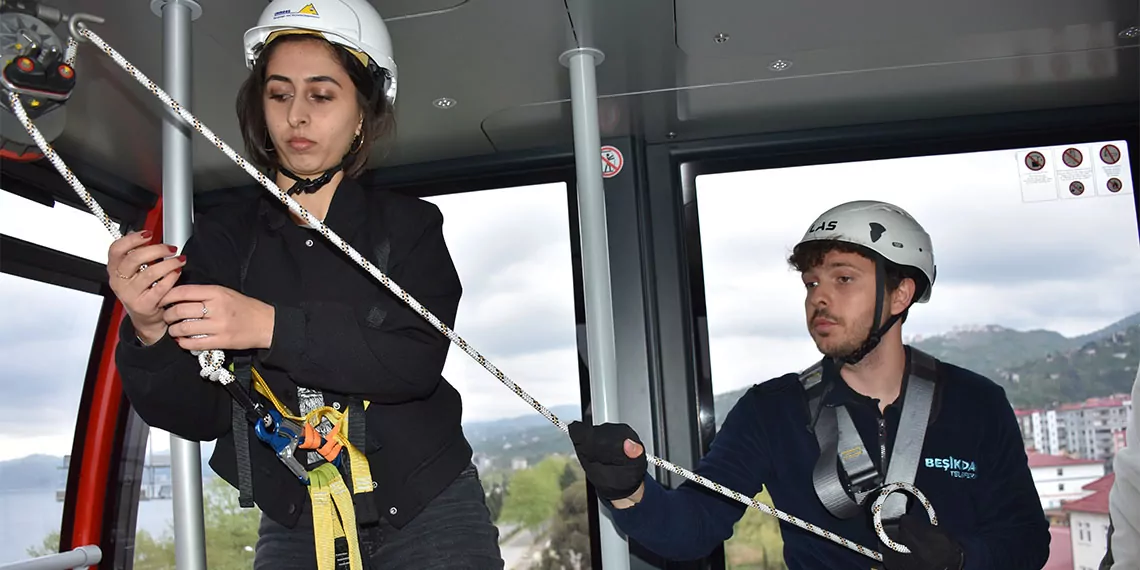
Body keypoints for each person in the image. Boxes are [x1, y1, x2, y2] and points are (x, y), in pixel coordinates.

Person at [106, 1, 503, 568]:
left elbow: (411, 362)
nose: (297, 116)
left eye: (321, 95)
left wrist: (266, 325)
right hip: (297, 516)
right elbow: (199, 414)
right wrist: (148, 330)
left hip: (429, 506)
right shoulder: (223, 238)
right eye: (278, 93)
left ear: (362, 112)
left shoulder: (410, 227)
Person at [569, 200, 1051, 570]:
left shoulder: (977, 404)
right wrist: (629, 493)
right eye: (811, 284)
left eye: (843, 279)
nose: (819, 298)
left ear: (901, 293)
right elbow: (695, 527)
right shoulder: (771, 411)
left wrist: (961, 559)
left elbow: (1026, 538)